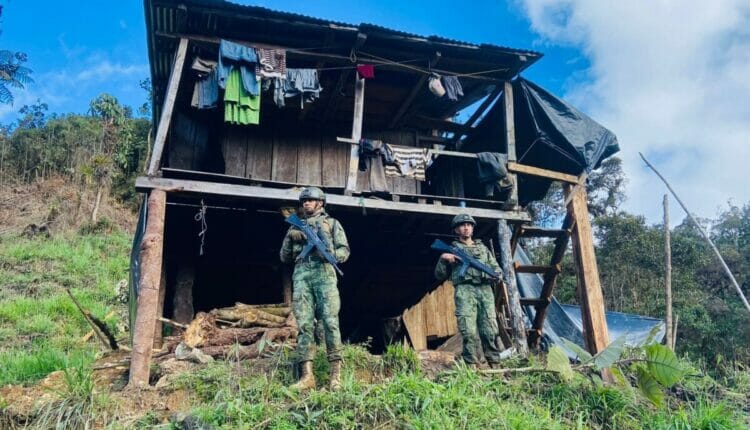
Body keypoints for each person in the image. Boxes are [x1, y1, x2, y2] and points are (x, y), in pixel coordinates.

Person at [280, 187, 349, 390]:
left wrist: (330, 253)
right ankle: (306, 376)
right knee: (304, 324)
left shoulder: (332, 223)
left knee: (330, 322)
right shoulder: (295, 226)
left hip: (325, 274)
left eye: (311, 200)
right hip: (302, 275)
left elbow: (344, 251)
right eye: (304, 201)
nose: (306, 204)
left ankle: (336, 376)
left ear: (320, 203)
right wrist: (291, 237)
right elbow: (284, 257)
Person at [434, 213, 504, 368]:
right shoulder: (453, 249)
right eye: (462, 225)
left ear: (472, 228)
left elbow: (495, 267)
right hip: (465, 290)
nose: (466, 228)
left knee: (490, 329)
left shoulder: (483, 249)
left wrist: (497, 275)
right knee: (468, 330)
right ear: (456, 230)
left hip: (485, 289)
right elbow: (439, 275)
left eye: (469, 225)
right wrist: (444, 259)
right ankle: (471, 365)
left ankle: (495, 363)